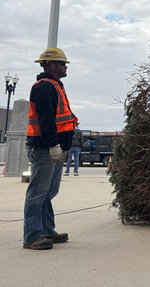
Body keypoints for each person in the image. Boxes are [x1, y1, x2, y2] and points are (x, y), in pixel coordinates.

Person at [23, 47, 77, 250]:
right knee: (38, 192)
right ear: (52, 65)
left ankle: (46, 230)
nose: (65, 67)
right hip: (45, 148)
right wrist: (54, 145)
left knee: (48, 192)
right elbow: (46, 121)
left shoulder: (55, 86)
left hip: (54, 148)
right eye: (63, 63)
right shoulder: (45, 87)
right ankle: (32, 236)